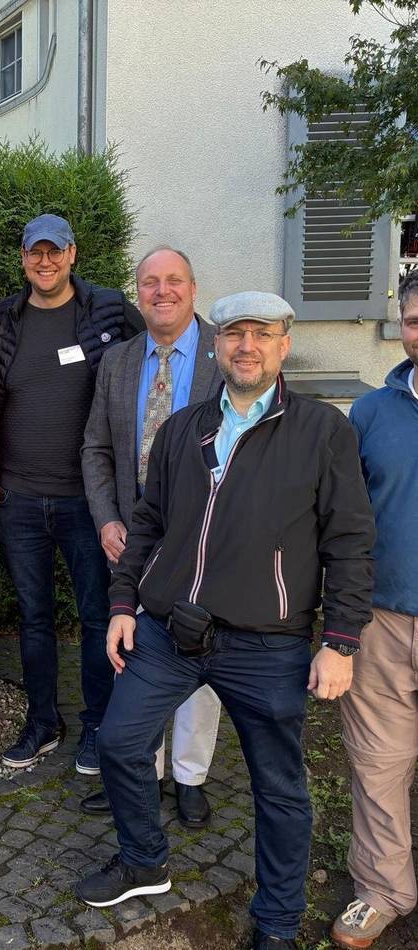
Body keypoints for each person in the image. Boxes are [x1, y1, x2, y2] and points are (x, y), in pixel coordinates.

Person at [74, 292, 375, 950]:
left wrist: (342, 642)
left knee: (280, 789)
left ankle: (275, 922)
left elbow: (349, 543)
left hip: (267, 644)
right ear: (216, 345)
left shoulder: (323, 432)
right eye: (235, 333)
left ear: (283, 345)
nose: (246, 346)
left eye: (261, 334)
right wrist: (124, 603)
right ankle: (145, 861)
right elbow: (149, 525)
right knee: (121, 743)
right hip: (171, 631)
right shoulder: (184, 428)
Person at [0, 212, 144, 773]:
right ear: (24, 258)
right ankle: (42, 721)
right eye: (36, 252)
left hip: (90, 501)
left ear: (73, 254)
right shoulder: (3, 318)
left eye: (55, 252)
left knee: (98, 615)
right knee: (33, 616)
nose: (45, 262)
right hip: (21, 499)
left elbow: (166, 349)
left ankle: (98, 723)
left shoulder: (105, 310)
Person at [81, 247, 222, 826]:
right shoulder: (118, 360)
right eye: (149, 282)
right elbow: (95, 447)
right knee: (132, 650)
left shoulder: (226, 352)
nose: (161, 291)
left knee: (197, 650)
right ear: (136, 291)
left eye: (174, 281)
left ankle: (190, 776)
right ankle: (141, 771)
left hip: (205, 536)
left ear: (193, 288)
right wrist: (107, 518)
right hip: (131, 536)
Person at [330, 270, 418, 949]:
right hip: (383, 618)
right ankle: (385, 889)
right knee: (380, 762)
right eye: (414, 320)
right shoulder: (369, 414)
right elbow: (341, 519)